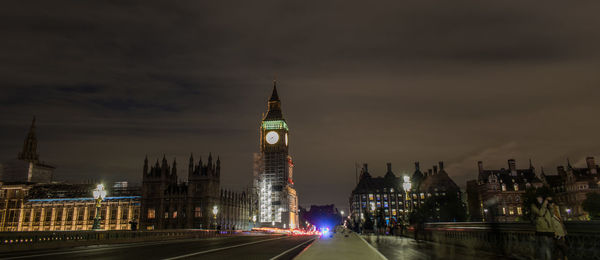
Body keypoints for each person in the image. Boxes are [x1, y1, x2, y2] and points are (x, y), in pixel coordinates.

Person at [532, 196, 554, 260]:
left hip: (549, 229)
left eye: (541, 198)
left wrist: (550, 206)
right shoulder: (534, 206)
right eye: (539, 198)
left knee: (549, 247)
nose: (540, 199)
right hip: (541, 229)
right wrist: (544, 204)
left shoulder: (545, 206)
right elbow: (540, 213)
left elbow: (551, 214)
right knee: (544, 247)